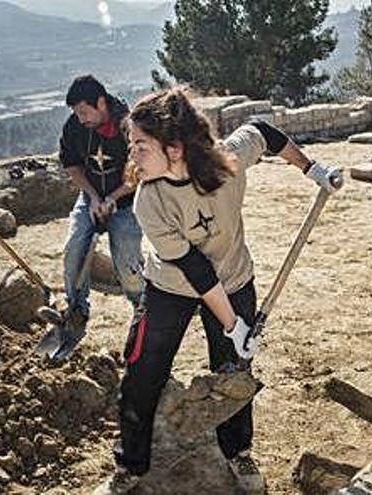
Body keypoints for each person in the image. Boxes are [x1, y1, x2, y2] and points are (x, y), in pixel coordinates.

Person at [93, 88, 341, 494]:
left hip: (233, 277)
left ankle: (237, 451)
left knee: (233, 372)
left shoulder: (227, 159)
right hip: (171, 286)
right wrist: (234, 325)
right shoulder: (149, 201)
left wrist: (311, 168)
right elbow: (194, 269)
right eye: (130, 145)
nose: (131, 156)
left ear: (174, 148)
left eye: (139, 145)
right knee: (142, 370)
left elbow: (263, 131)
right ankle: (131, 464)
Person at [56, 75, 144, 334]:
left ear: (101, 103)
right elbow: (71, 164)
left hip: (126, 201)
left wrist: (112, 199)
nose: (81, 119)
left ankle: (142, 307)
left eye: (84, 112)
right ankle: (76, 309)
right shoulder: (74, 127)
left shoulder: (129, 126)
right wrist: (94, 198)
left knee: (127, 258)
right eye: (77, 113)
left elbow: (139, 173)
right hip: (91, 198)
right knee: (74, 249)